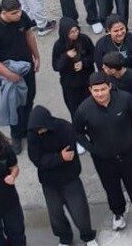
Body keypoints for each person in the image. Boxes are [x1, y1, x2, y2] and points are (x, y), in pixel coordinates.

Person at [73, 75, 132, 231]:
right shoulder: (84, 109)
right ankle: (118, 213)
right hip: (103, 159)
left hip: (130, 153)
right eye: (95, 90)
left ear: (109, 86)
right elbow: (77, 132)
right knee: (111, 187)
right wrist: (92, 148)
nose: (100, 94)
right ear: (90, 90)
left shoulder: (125, 99)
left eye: (103, 89)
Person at [27, 104, 97, 246]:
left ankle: (88, 237)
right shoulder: (32, 133)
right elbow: (36, 159)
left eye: (41, 128)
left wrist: (50, 159)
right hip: (49, 182)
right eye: (37, 130)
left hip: (69, 178)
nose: (40, 132)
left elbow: (69, 156)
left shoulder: (65, 128)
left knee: (79, 210)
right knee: (55, 214)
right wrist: (59, 157)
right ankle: (65, 238)